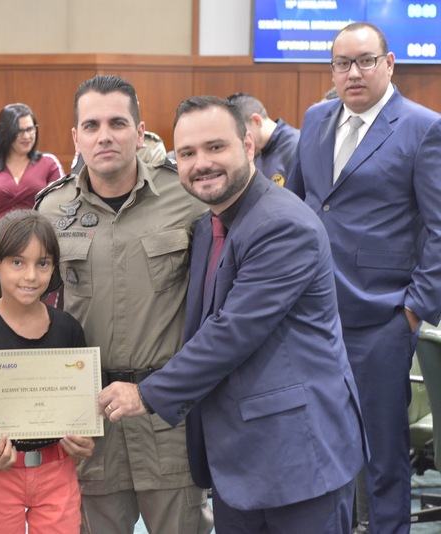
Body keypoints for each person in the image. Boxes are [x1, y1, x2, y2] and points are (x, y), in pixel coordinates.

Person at [100, 95, 366, 532]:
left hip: (298, 458)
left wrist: (145, 393)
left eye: (215, 147)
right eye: (187, 153)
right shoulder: (210, 226)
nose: (201, 163)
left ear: (248, 145)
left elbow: (232, 332)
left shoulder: (282, 224)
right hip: (236, 462)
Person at [36, 75, 213, 534]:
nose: (105, 136)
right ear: (75, 137)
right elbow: (25, 310)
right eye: (91, 126)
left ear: (139, 132)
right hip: (89, 419)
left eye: (117, 123)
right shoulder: (51, 211)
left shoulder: (187, 198)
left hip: (167, 413)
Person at [286, 22, 441, 533]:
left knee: (382, 457)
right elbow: (299, 206)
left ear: (389, 64)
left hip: (382, 319)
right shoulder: (315, 118)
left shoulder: (423, 128)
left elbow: (440, 231)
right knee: (318, 444)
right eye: (342, 64)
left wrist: (412, 312)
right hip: (310, 316)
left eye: (365, 61)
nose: (353, 73)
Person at [0, 209, 95, 533]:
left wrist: (85, 438)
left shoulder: (68, 329)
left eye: (42, 263)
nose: (30, 276)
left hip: (57, 469)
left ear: (54, 267)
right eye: (17, 262)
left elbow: (81, 410)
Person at [0, 103, 63, 305]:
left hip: (40, 253)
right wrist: (12, 242)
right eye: (19, 131)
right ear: (5, 132)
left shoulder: (49, 163)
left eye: (31, 129)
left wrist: (31, 245)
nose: (27, 135)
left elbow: (60, 208)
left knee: (42, 314)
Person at [226, 92, 300, 186]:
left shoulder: (297, 146)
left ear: (256, 121)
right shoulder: (255, 152)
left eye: (241, 135)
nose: (241, 144)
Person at [70, 130, 167, 174]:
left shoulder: (151, 145)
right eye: (91, 126)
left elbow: (157, 186)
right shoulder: (89, 144)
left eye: (118, 124)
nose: (104, 138)